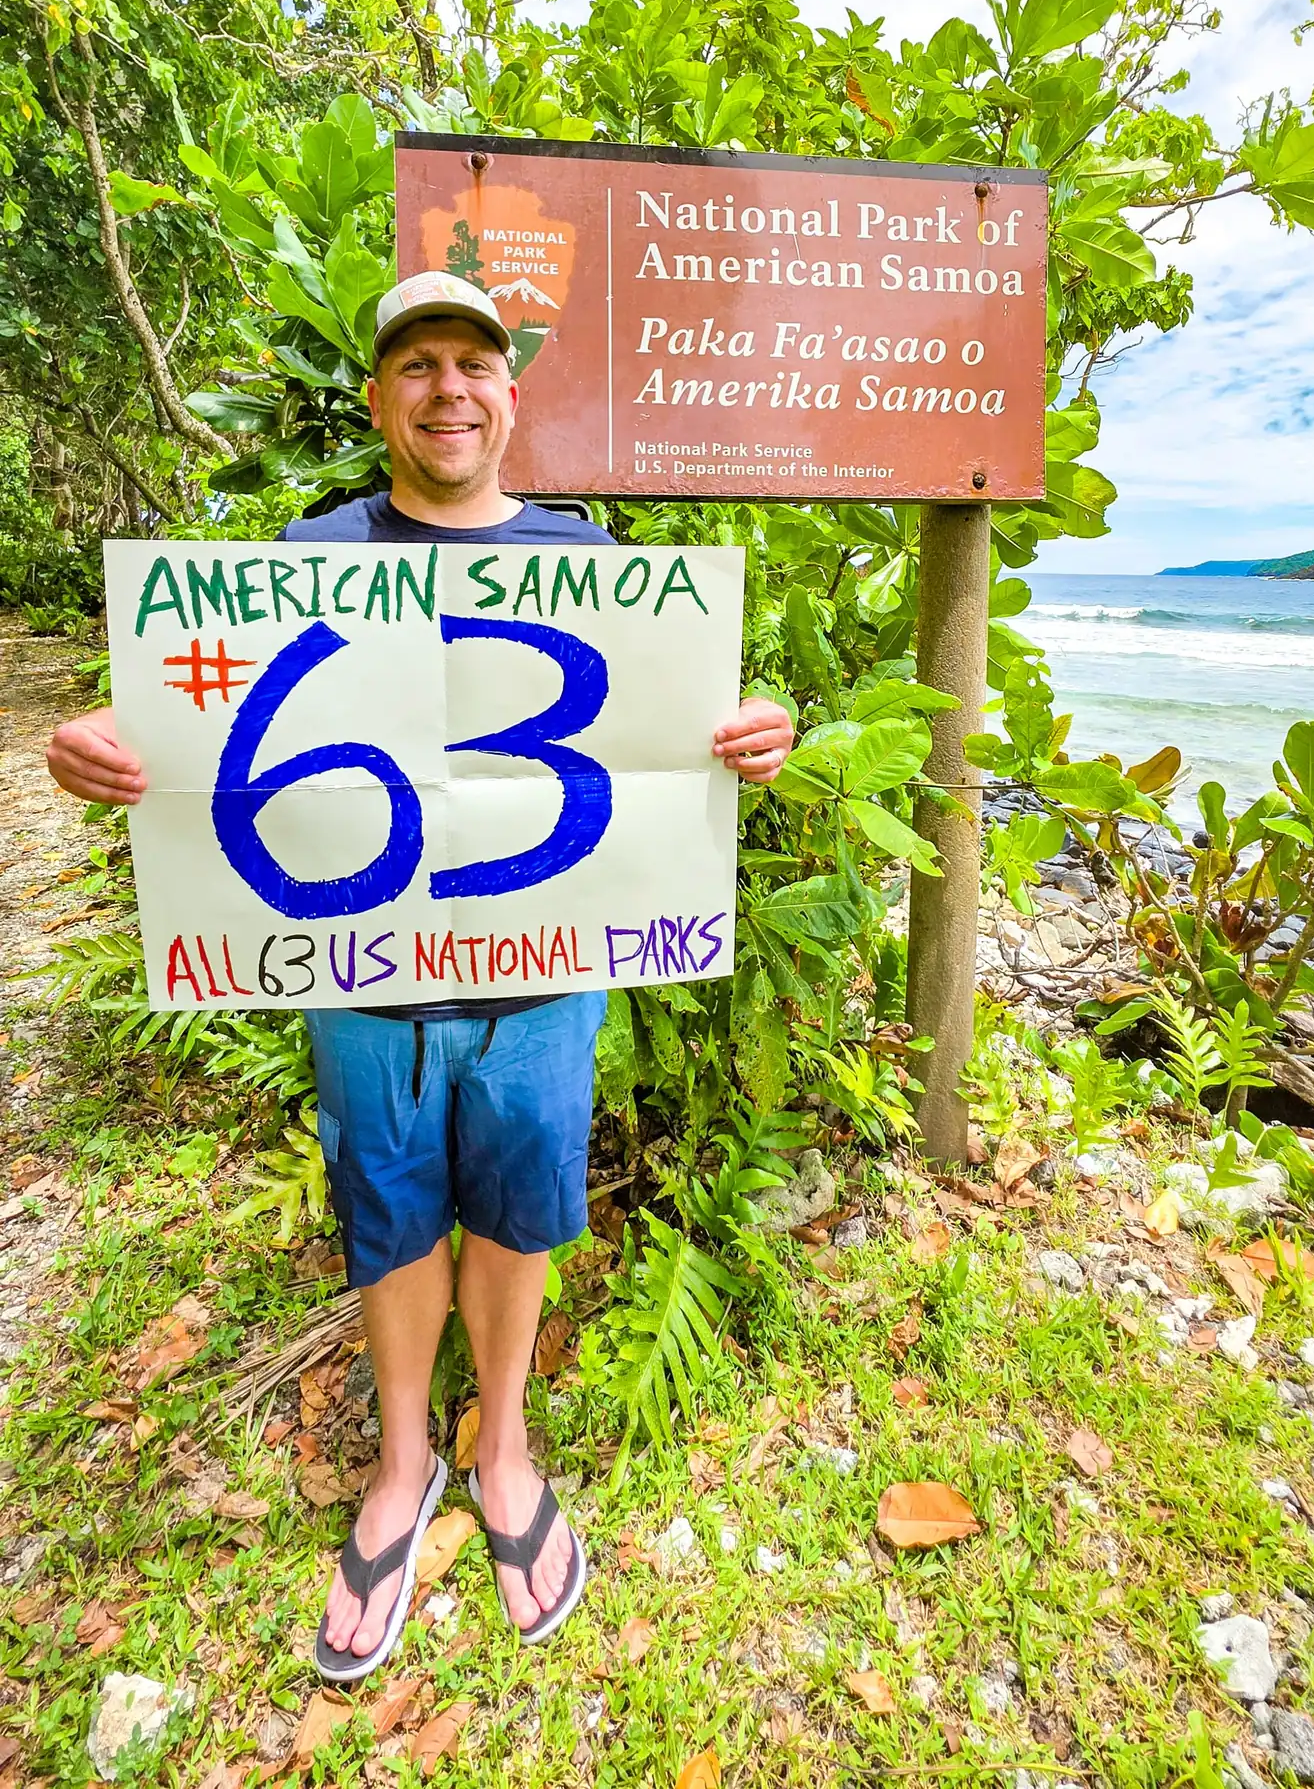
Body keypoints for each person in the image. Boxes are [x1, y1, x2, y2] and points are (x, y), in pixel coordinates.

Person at [45, 270, 795, 1680]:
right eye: (418, 367)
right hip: (366, 971)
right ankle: (407, 1462)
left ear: (512, 394)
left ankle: (499, 1448)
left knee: (521, 1198)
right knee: (387, 1208)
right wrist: (103, 736)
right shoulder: (313, 551)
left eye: (473, 363)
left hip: (543, 968)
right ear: (383, 399)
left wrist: (762, 725)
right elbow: (214, 710)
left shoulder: (591, 558)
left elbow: (689, 721)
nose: (448, 389)